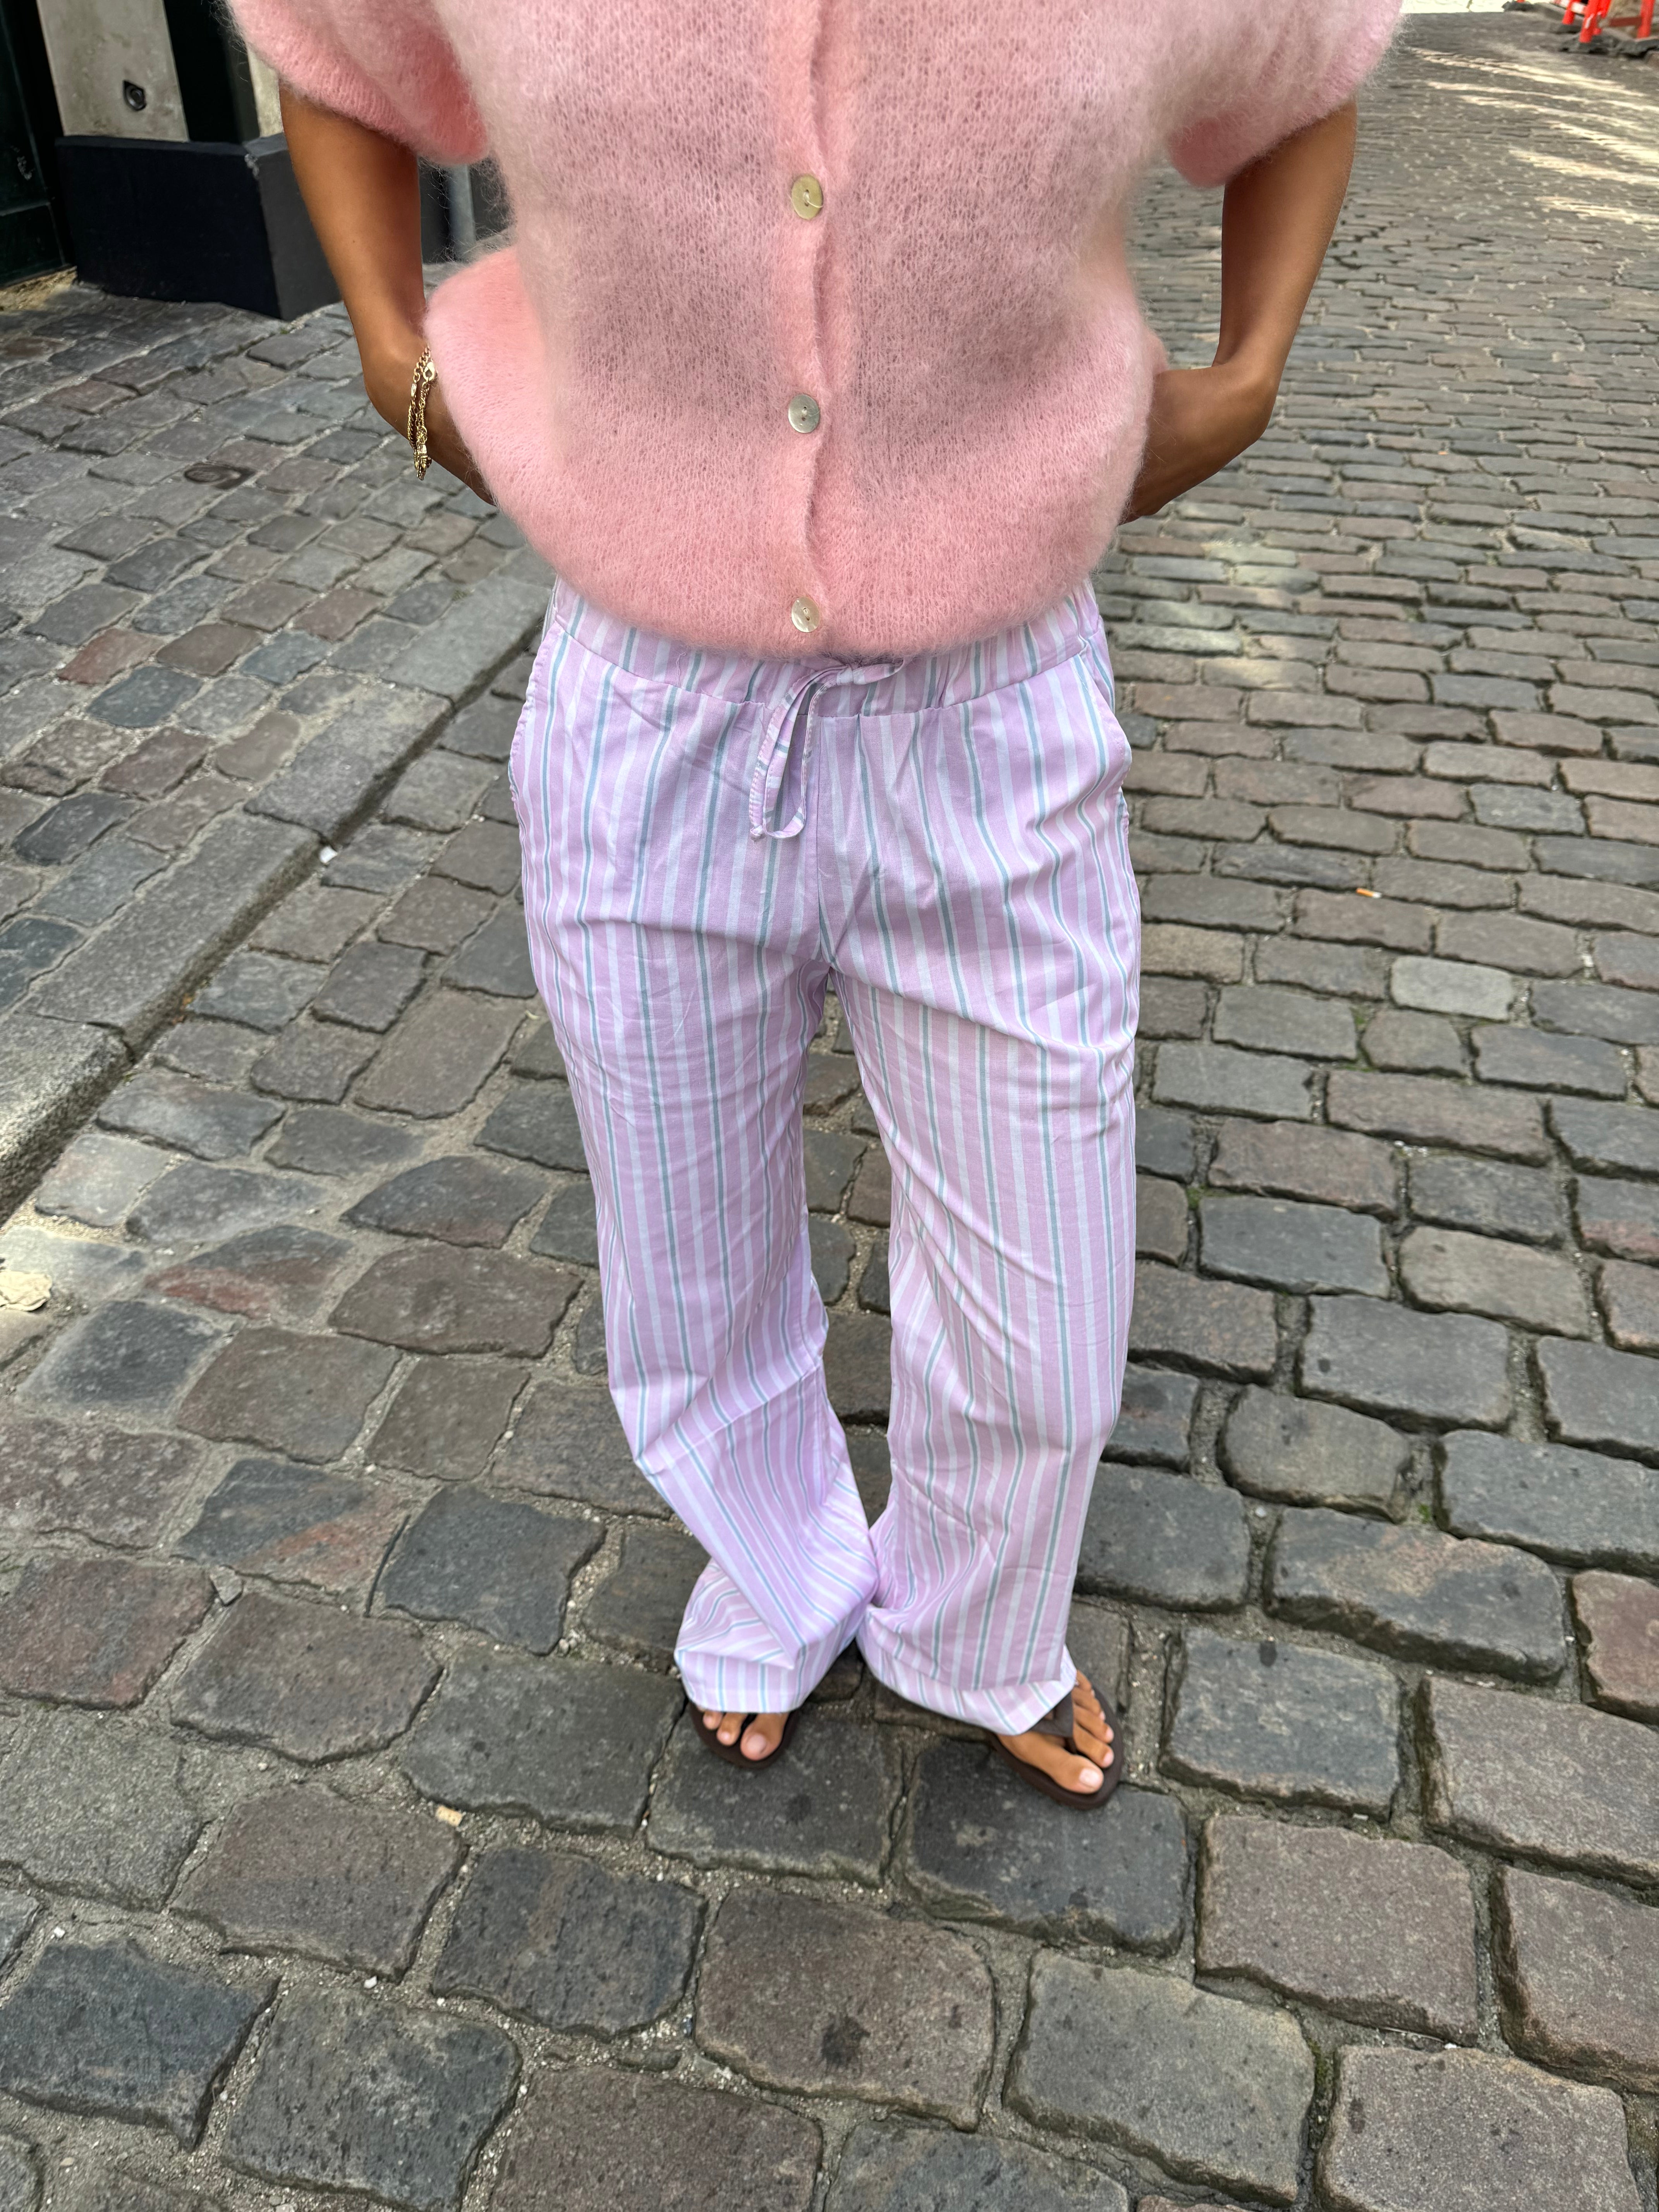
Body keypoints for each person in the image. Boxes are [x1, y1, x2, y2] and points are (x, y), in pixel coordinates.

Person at [230, 0, 1399, 1807]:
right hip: (647, 711)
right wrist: (398, 354)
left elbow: (1304, 65)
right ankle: (774, 1571)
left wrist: (1246, 378)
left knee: (1042, 1321)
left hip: (993, 713)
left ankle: (974, 1620)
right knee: (689, 1272)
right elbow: (334, 46)